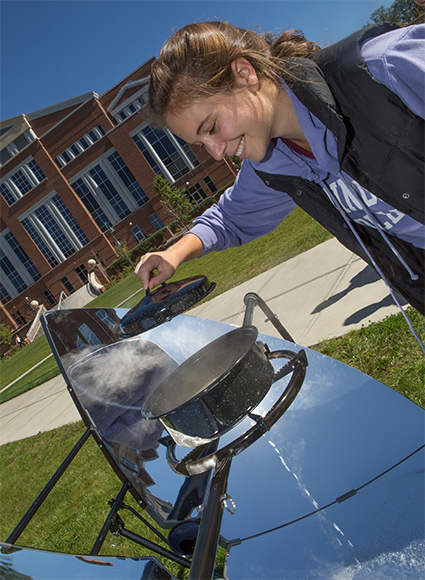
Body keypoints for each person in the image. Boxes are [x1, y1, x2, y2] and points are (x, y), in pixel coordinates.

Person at [135, 20, 424, 319]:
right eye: (200, 143)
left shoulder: (384, 64)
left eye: (212, 127)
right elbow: (228, 220)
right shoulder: (275, 163)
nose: (216, 152)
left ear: (245, 74)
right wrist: (174, 254)